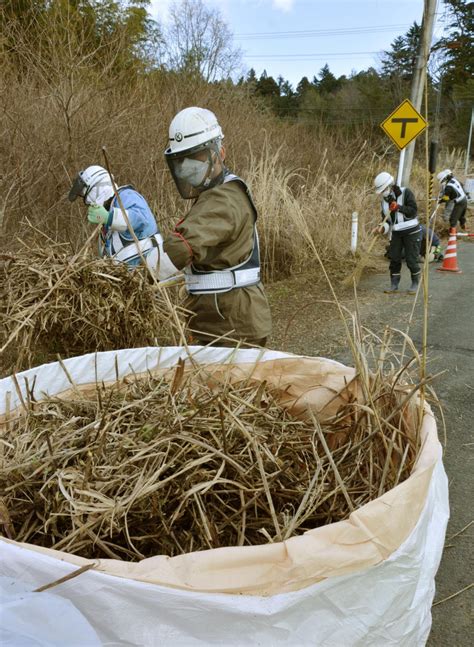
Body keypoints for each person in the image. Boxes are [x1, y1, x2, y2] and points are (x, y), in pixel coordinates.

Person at [157, 106, 272, 347]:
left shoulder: (223, 198)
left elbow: (181, 247)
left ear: (219, 152)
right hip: (220, 318)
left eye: (196, 157)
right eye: (182, 160)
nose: (188, 166)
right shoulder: (214, 193)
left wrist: (135, 275)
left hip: (232, 325)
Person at [68, 165, 169, 272]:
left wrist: (109, 217)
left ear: (96, 186)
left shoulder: (125, 196)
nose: (87, 201)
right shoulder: (108, 217)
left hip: (149, 268)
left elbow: (142, 219)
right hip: (131, 276)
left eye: (85, 195)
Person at [374, 171, 421, 295]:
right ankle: (394, 285)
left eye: (384, 189)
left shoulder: (406, 192)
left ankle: (415, 283)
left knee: (411, 259)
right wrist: (381, 228)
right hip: (396, 233)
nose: (383, 193)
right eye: (381, 191)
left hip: (412, 232)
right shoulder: (384, 202)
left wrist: (399, 207)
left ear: (390, 185)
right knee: (394, 258)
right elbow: (387, 221)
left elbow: (413, 211)